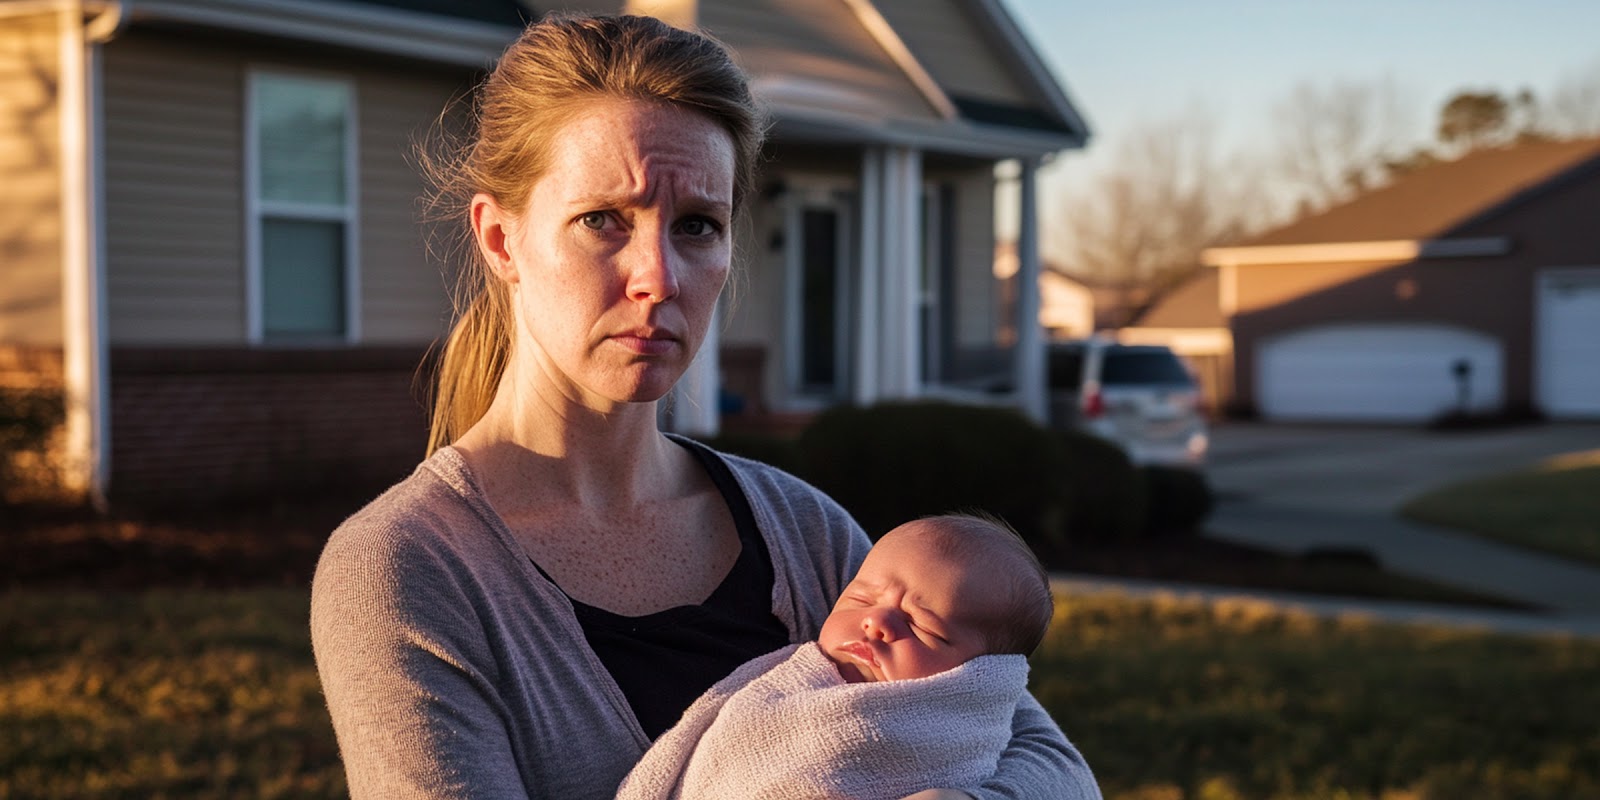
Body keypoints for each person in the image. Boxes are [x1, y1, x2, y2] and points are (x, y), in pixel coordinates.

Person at [309, 12, 1100, 800]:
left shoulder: (807, 533)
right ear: (501, 239)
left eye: (697, 226)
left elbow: (1051, 767)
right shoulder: (405, 569)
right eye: (602, 221)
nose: (661, 276)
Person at [616, 514, 1058, 800]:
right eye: (860, 599)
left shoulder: (953, 724)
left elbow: (1059, 769)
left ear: (981, 677)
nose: (877, 623)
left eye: (922, 626)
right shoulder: (783, 684)